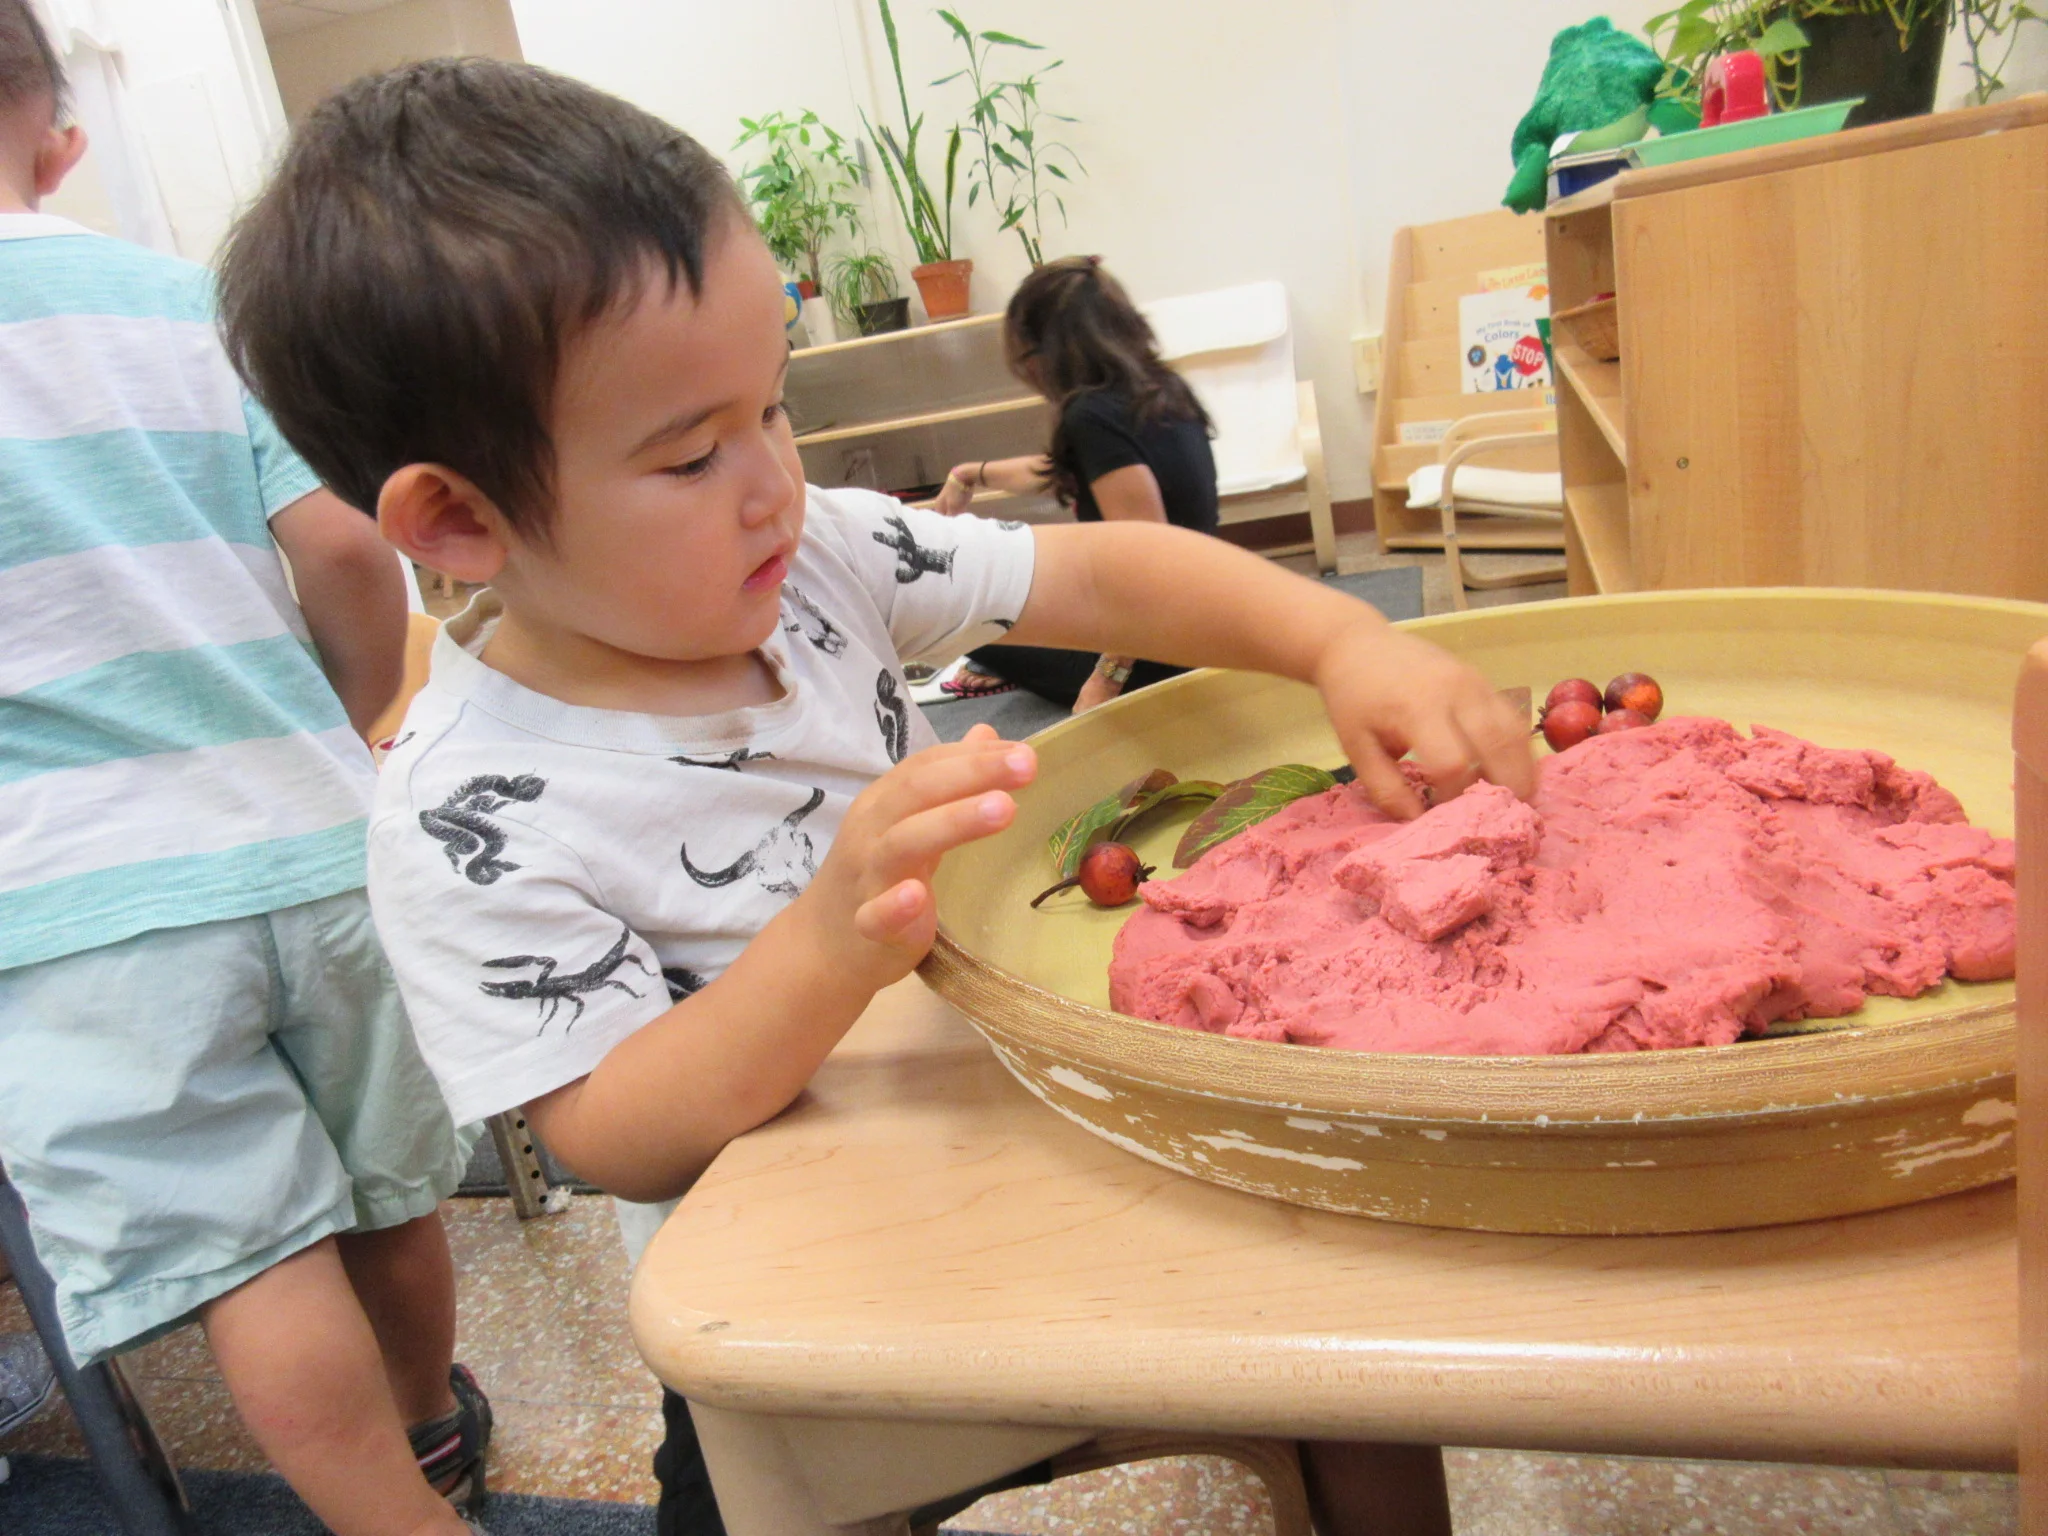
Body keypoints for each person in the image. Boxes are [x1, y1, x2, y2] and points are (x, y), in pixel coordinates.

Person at [211, 59, 1534, 1536]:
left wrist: (1341, 639)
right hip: (804, 1305)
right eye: (692, 454)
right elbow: (610, 1131)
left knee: (1344, 1366)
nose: (772, 481)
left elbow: (1103, 570)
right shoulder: (472, 812)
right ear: (458, 520)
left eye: (772, 408)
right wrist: (826, 941)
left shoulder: (821, 560)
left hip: (1029, 1147)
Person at [0, 6, 486, 1532]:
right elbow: (342, 544)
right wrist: (338, 723)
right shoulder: (187, 307)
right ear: (59, 143)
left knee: (253, 1256)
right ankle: (435, 1433)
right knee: (392, 1189)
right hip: (315, 837)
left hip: (78, 905)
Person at [932, 254, 1219, 713]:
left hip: (1160, 650)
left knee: (963, 615)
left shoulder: (1090, 417)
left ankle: (1019, 668)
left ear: (1044, 353)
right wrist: (971, 473)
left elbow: (1148, 566)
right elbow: (1060, 470)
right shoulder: (1159, 388)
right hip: (1205, 621)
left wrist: (1104, 683)